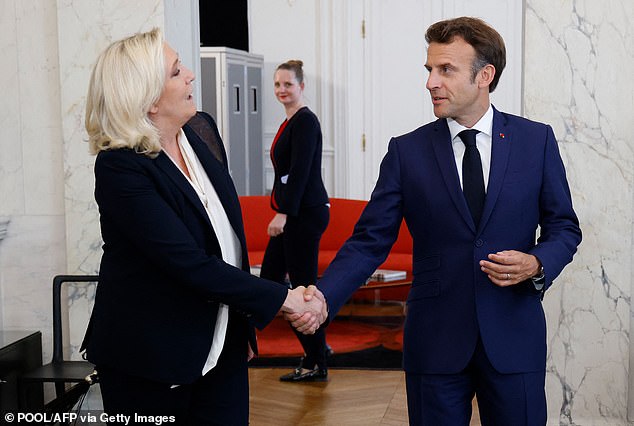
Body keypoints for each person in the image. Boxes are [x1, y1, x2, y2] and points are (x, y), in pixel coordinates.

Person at [294, 17, 582, 425]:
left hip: (514, 337)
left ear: (485, 75)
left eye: (445, 70)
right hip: (435, 341)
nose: (431, 81)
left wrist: (537, 263)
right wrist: (324, 296)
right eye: (429, 69)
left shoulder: (536, 142)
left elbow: (564, 228)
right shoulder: (405, 152)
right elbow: (370, 241)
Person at [81, 28, 325, 424]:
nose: (191, 75)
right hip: (152, 359)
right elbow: (188, 263)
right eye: (176, 72)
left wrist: (241, 327)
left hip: (222, 346)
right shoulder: (120, 167)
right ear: (146, 97)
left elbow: (227, 241)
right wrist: (285, 298)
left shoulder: (201, 131)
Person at [259, 60, 331, 382]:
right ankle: (319, 348)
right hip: (295, 213)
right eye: (277, 85)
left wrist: (284, 214)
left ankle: (316, 360)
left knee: (302, 289)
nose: (281, 90)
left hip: (303, 214)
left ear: (301, 86)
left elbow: (300, 173)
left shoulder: (305, 121)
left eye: (288, 84)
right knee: (272, 281)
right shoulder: (291, 121)